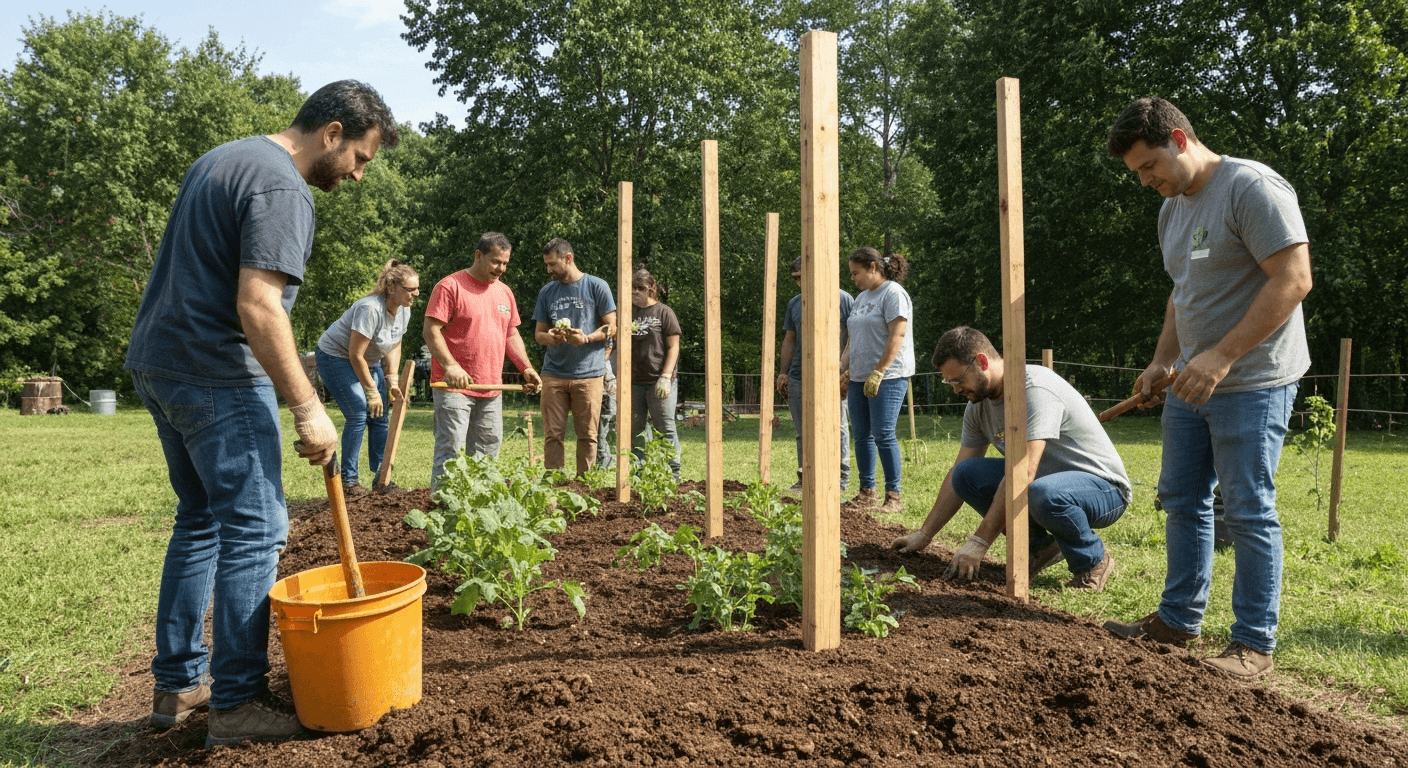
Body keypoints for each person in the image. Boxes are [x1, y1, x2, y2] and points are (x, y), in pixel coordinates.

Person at [125, 80, 397, 746]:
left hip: (160, 360)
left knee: (201, 520)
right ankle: (238, 702)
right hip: (215, 369)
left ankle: (180, 683)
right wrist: (308, 407)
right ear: (332, 131)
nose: (359, 176)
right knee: (257, 524)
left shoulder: (226, 157)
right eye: (359, 158)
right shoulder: (282, 188)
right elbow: (258, 306)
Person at [1101, 97, 1313, 679]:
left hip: (1253, 380)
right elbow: (1182, 291)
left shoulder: (1252, 188)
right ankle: (1177, 621)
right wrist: (1162, 358)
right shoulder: (1172, 209)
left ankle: (1252, 644)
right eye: (1138, 174)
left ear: (1179, 138)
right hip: (1191, 383)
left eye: (1149, 167)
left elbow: (1294, 280)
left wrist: (1220, 357)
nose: (1146, 181)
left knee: (1246, 509)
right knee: (1182, 499)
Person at [890, 327, 1131, 592]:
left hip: (1103, 488)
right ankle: (1039, 549)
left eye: (958, 379)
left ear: (982, 362)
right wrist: (925, 534)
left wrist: (979, 543)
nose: (956, 390)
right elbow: (959, 470)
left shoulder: (1034, 389)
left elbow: (1023, 471)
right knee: (967, 474)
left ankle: (1093, 561)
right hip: (1042, 485)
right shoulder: (977, 407)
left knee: (1043, 492)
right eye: (950, 383)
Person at [423, 232, 542, 487]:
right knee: (450, 452)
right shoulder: (450, 286)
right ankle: (445, 509)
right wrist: (451, 366)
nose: (501, 269)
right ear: (479, 255)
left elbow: (510, 333)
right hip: (454, 387)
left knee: (487, 454)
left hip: (491, 389)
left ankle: (479, 509)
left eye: (505, 263)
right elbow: (431, 330)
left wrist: (527, 367)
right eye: (496, 262)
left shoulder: (504, 293)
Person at [315, 260, 418, 494]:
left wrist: (391, 377)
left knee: (380, 416)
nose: (416, 294)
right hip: (336, 357)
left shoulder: (404, 310)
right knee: (358, 412)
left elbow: (395, 343)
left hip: (367, 361)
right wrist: (372, 391)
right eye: (410, 289)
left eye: (416, 289)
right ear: (392, 288)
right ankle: (349, 482)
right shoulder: (370, 309)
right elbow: (355, 354)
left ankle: (382, 479)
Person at [532, 238, 617, 476]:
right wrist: (552, 337)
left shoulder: (596, 286)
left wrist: (587, 338)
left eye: (552, 264)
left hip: (589, 374)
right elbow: (539, 335)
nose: (548, 270)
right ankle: (554, 481)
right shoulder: (547, 292)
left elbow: (613, 326)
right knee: (552, 434)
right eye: (546, 265)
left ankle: (584, 483)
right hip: (554, 374)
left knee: (588, 435)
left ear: (568, 258)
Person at [838, 248, 914, 514]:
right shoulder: (860, 298)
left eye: (855, 272)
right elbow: (852, 339)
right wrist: (843, 368)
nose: (853, 278)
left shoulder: (893, 294)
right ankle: (866, 492)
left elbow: (897, 335)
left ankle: (894, 497)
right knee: (862, 436)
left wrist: (880, 371)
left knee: (883, 433)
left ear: (873, 267)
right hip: (859, 377)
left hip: (889, 377)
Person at [775, 257, 853, 493]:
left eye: (800, 277)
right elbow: (790, 339)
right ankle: (805, 476)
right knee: (803, 430)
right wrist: (783, 373)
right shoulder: (795, 304)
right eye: (794, 280)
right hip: (799, 375)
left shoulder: (842, 298)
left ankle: (840, 477)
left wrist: (843, 368)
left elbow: (852, 336)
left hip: (832, 374)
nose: (798, 283)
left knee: (837, 426)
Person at [628, 269, 682, 478]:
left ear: (650, 289)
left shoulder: (663, 312)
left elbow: (673, 347)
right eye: (631, 289)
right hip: (634, 382)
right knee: (635, 427)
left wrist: (666, 377)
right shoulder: (628, 313)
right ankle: (639, 470)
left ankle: (672, 472)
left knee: (665, 426)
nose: (634, 293)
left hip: (659, 380)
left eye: (638, 289)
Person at [596, 336, 618, 470]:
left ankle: (606, 459)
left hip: (609, 395)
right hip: (603, 393)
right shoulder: (603, 361)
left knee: (603, 428)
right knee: (599, 430)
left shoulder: (607, 361)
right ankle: (604, 459)